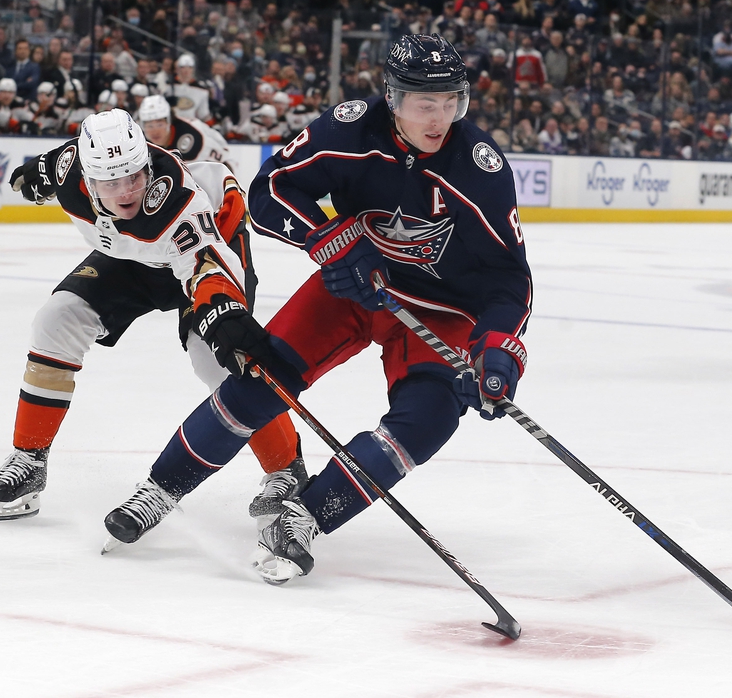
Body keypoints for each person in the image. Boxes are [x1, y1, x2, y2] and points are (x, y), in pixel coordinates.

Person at [102, 34, 532, 585]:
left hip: (438, 310)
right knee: (260, 376)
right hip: (352, 285)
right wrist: (328, 239)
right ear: (394, 98)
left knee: (428, 419)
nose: (441, 118)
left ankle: (301, 518)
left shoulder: (480, 168)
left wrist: (497, 352)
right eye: (427, 103)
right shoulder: (348, 129)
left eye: (453, 102)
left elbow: (508, 278)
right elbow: (268, 192)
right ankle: (159, 491)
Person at [0, 109, 300, 528]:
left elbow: (204, 266)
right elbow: (52, 163)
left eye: (134, 176)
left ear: (147, 164)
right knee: (57, 318)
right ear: (87, 180)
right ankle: (29, 457)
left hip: (210, 244)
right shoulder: (68, 171)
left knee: (217, 356)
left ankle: (287, 469)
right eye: (110, 183)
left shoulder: (178, 200)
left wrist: (223, 314)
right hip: (134, 255)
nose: (126, 191)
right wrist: (33, 175)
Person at [137, 94, 231, 168]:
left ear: (169, 122)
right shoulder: (139, 141)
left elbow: (224, 166)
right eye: (149, 125)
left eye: (160, 124)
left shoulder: (193, 135)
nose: (155, 131)